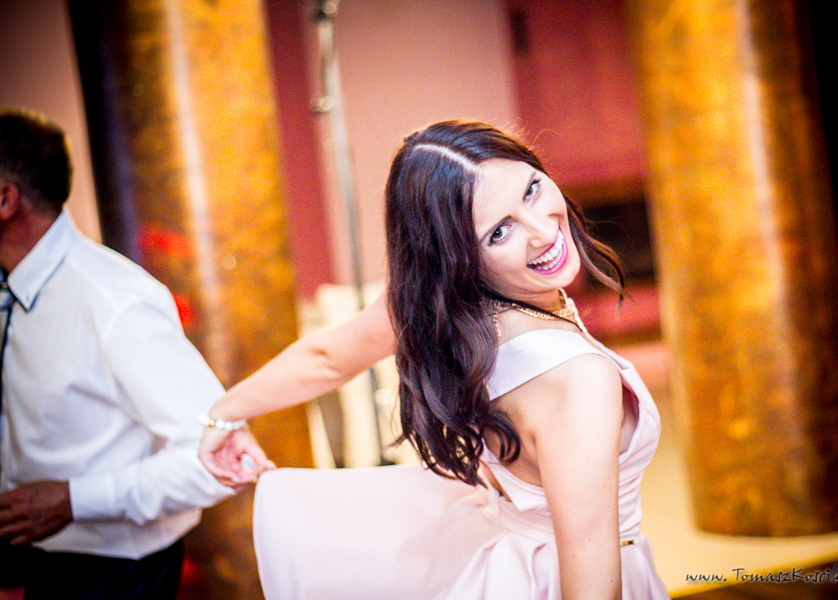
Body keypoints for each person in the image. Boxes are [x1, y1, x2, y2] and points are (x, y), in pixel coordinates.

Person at [200, 120, 669, 600]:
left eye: (531, 190)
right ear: (459, 256)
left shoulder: (444, 308)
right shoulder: (578, 380)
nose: (543, 231)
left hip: (509, 566)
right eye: (499, 232)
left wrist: (224, 414)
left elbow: (328, 358)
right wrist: (222, 418)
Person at [0, 108, 233, 599]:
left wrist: (74, 500)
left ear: (5, 199)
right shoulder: (11, 290)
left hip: (116, 575)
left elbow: (216, 459)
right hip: (37, 562)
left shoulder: (113, 299)